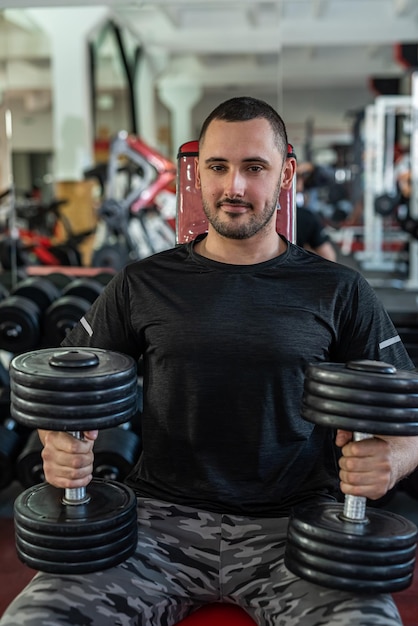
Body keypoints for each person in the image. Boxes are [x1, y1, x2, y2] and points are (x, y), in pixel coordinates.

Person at [1, 96, 418, 626]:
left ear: (286, 175)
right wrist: (59, 443)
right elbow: (62, 388)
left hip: (294, 532)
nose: (234, 187)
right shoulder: (141, 283)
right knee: (34, 620)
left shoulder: (338, 290)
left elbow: (407, 413)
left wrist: (393, 461)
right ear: (198, 173)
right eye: (218, 167)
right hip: (155, 528)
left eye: (254, 168)